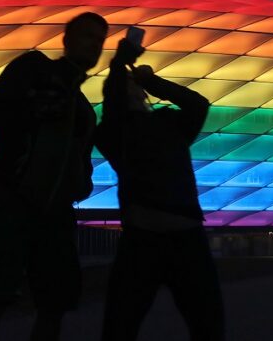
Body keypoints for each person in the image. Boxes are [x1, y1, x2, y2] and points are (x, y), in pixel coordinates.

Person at [0, 12, 105, 340]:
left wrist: (81, 182)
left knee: (54, 303)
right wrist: (20, 159)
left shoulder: (82, 104)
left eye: (100, 40)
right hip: (13, 200)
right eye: (86, 36)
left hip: (57, 210)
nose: (94, 45)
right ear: (65, 39)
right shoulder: (34, 67)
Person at [96, 34, 224, 340]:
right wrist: (118, 64)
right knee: (120, 324)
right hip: (143, 237)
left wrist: (153, 82)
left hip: (188, 235)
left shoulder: (169, 122)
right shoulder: (113, 133)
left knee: (208, 324)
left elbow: (197, 104)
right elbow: (115, 105)